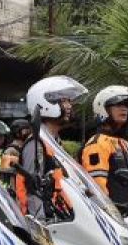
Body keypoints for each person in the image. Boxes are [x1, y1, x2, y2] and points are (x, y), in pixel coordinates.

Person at [14, 76, 85, 219]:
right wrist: (41, 224)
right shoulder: (37, 143)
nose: (69, 106)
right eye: (64, 101)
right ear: (44, 103)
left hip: (60, 219)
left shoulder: (53, 142)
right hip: (46, 223)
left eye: (69, 101)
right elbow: (32, 190)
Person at [81, 85, 128, 206]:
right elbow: (97, 188)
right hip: (113, 217)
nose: (124, 109)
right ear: (103, 109)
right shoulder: (97, 143)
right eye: (119, 104)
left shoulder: (125, 143)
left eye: (127, 106)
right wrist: (109, 213)